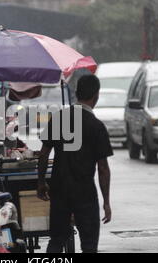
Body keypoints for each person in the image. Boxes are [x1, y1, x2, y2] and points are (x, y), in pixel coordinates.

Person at [37, 75, 113, 253]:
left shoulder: (59, 118)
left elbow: (43, 153)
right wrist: (106, 202)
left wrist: (41, 182)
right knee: (88, 244)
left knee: (56, 240)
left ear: (77, 93)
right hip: (84, 192)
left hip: (60, 190)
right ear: (96, 96)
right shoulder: (96, 126)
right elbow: (103, 169)